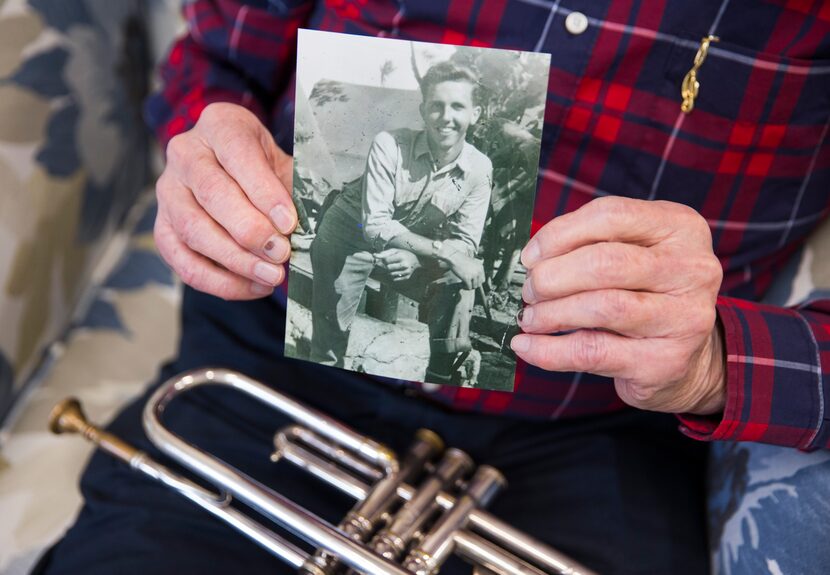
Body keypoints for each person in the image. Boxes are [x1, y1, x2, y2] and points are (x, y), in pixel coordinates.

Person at [35, 2, 830, 575]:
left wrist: (717, 362)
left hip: (600, 430)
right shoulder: (395, 151)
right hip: (279, 354)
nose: (449, 125)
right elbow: (219, 66)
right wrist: (206, 150)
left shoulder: (478, 168)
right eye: (438, 110)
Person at [308, 61, 493, 383]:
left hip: (406, 246)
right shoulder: (389, 144)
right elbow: (376, 224)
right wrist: (442, 252)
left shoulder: (479, 168)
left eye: (458, 107)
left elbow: (465, 241)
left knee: (458, 278)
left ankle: (441, 377)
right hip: (345, 239)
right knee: (331, 341)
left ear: (474, 114)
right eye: (437, 106)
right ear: (423, 110)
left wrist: (416, 257)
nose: (446, 117)